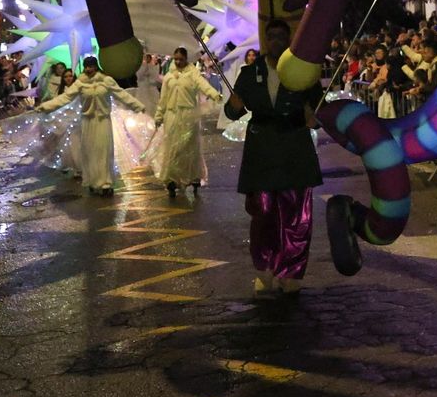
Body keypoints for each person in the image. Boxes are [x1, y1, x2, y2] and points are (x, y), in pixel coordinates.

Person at [224, 18, 339, 296]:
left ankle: (292, 272)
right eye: (271, 36)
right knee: (262, 213)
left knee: (297, 217)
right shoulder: (250, 73)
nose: (276, 40)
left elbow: (318, 111)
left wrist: (315, 117)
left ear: (289, 40)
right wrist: (235, 104)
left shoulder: (303, 73)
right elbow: (231, 112)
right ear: (266, 40)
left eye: (281, 36)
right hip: (261, 150)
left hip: (294, 149)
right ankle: (265, 270)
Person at [36, 55, 148, 195]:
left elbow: (121, 94)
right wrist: (46, 106)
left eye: (91, 66)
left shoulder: (106, 81)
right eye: (86, 66)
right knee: (90, 153)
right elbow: (64, 98)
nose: (88, 69)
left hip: (103, 121)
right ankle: (92, 181)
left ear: (96, 66)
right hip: (87, 122)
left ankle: (106, 182)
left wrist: (137, 106)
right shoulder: (80, 83)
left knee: (104, 152)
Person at [154, 47, 224, 197]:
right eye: (176, 59)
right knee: (173, 149)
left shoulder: (193, 74)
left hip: (188, 116)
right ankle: (172, 179)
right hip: (172, 116)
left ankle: (193, 176)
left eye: (181, 59)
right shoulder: (169, 77)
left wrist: (215, 95)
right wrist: (159, 116)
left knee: (188, 148)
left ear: (186, 59)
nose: (178, 61)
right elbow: (163, 99)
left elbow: (203, 85)